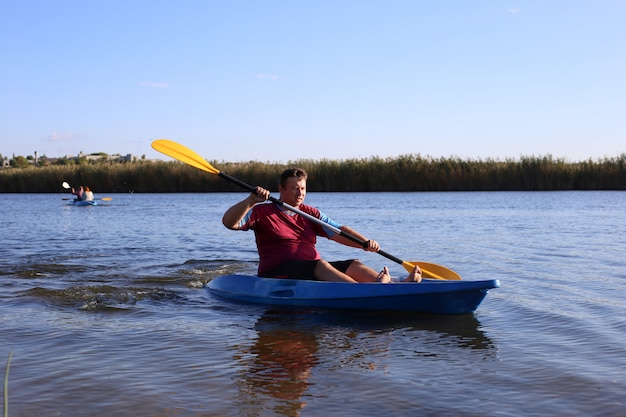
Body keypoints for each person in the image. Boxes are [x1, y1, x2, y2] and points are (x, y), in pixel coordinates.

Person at [222, 168, 421, 283]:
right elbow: (229, 223)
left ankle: (396, 285)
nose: (300, 193)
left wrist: (364, 243)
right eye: (294, 189)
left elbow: (339, 232)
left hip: (312, 269)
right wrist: (250, 200)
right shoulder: (262, 212)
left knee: (354, 264)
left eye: (302, 189)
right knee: (320, 265)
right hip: (277, 273)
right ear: (281, 189)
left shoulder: (311, 213)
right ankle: (372, 291)